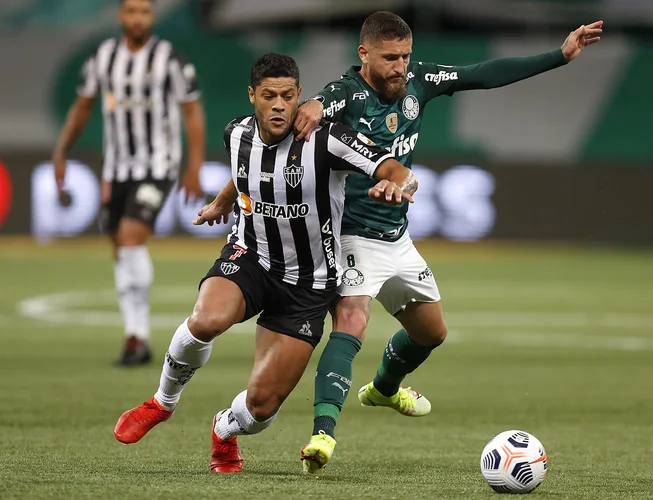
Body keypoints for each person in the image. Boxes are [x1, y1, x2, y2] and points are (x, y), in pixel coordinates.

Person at [293, 11, 603, 470]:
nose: (400, 66)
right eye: (389, 58)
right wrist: (314, 105)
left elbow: (482, 75)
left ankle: (383, 389)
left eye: (405, 56)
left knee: (431, 332)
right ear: (364, 54)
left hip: (397, 238)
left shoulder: (417, 79)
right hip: (350, 236)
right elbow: (321, 108)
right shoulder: (345, 93)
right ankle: (323, 435)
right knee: (352, 321)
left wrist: (559, 56)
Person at [112, 53, 418, 474]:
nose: (279, 105)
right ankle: (162, 403)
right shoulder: (235, 132)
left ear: (299, 98)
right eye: (269, 96)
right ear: (252, 96)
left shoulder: (328, 140)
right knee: (206, 319)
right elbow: (246, 171)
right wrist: (223, 200)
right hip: (251, 258)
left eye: (288, 96)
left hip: (309, 285)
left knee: (260, 409)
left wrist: (398, 183)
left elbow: (395, 168)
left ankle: (223, 429)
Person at [52, 0, 206, 366]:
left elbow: (192, 111)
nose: (138, 18)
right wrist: (61, 151)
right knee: (120, 245)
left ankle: (138, 337)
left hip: (158, 165)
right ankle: (132, 333)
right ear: (121, 15)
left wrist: (194, 165)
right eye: (132, 11)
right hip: (116, 169)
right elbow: (83, 106)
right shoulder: (102, 56)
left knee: (132, 234)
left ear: (152, 16)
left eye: (145, 11)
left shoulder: (171, 58)